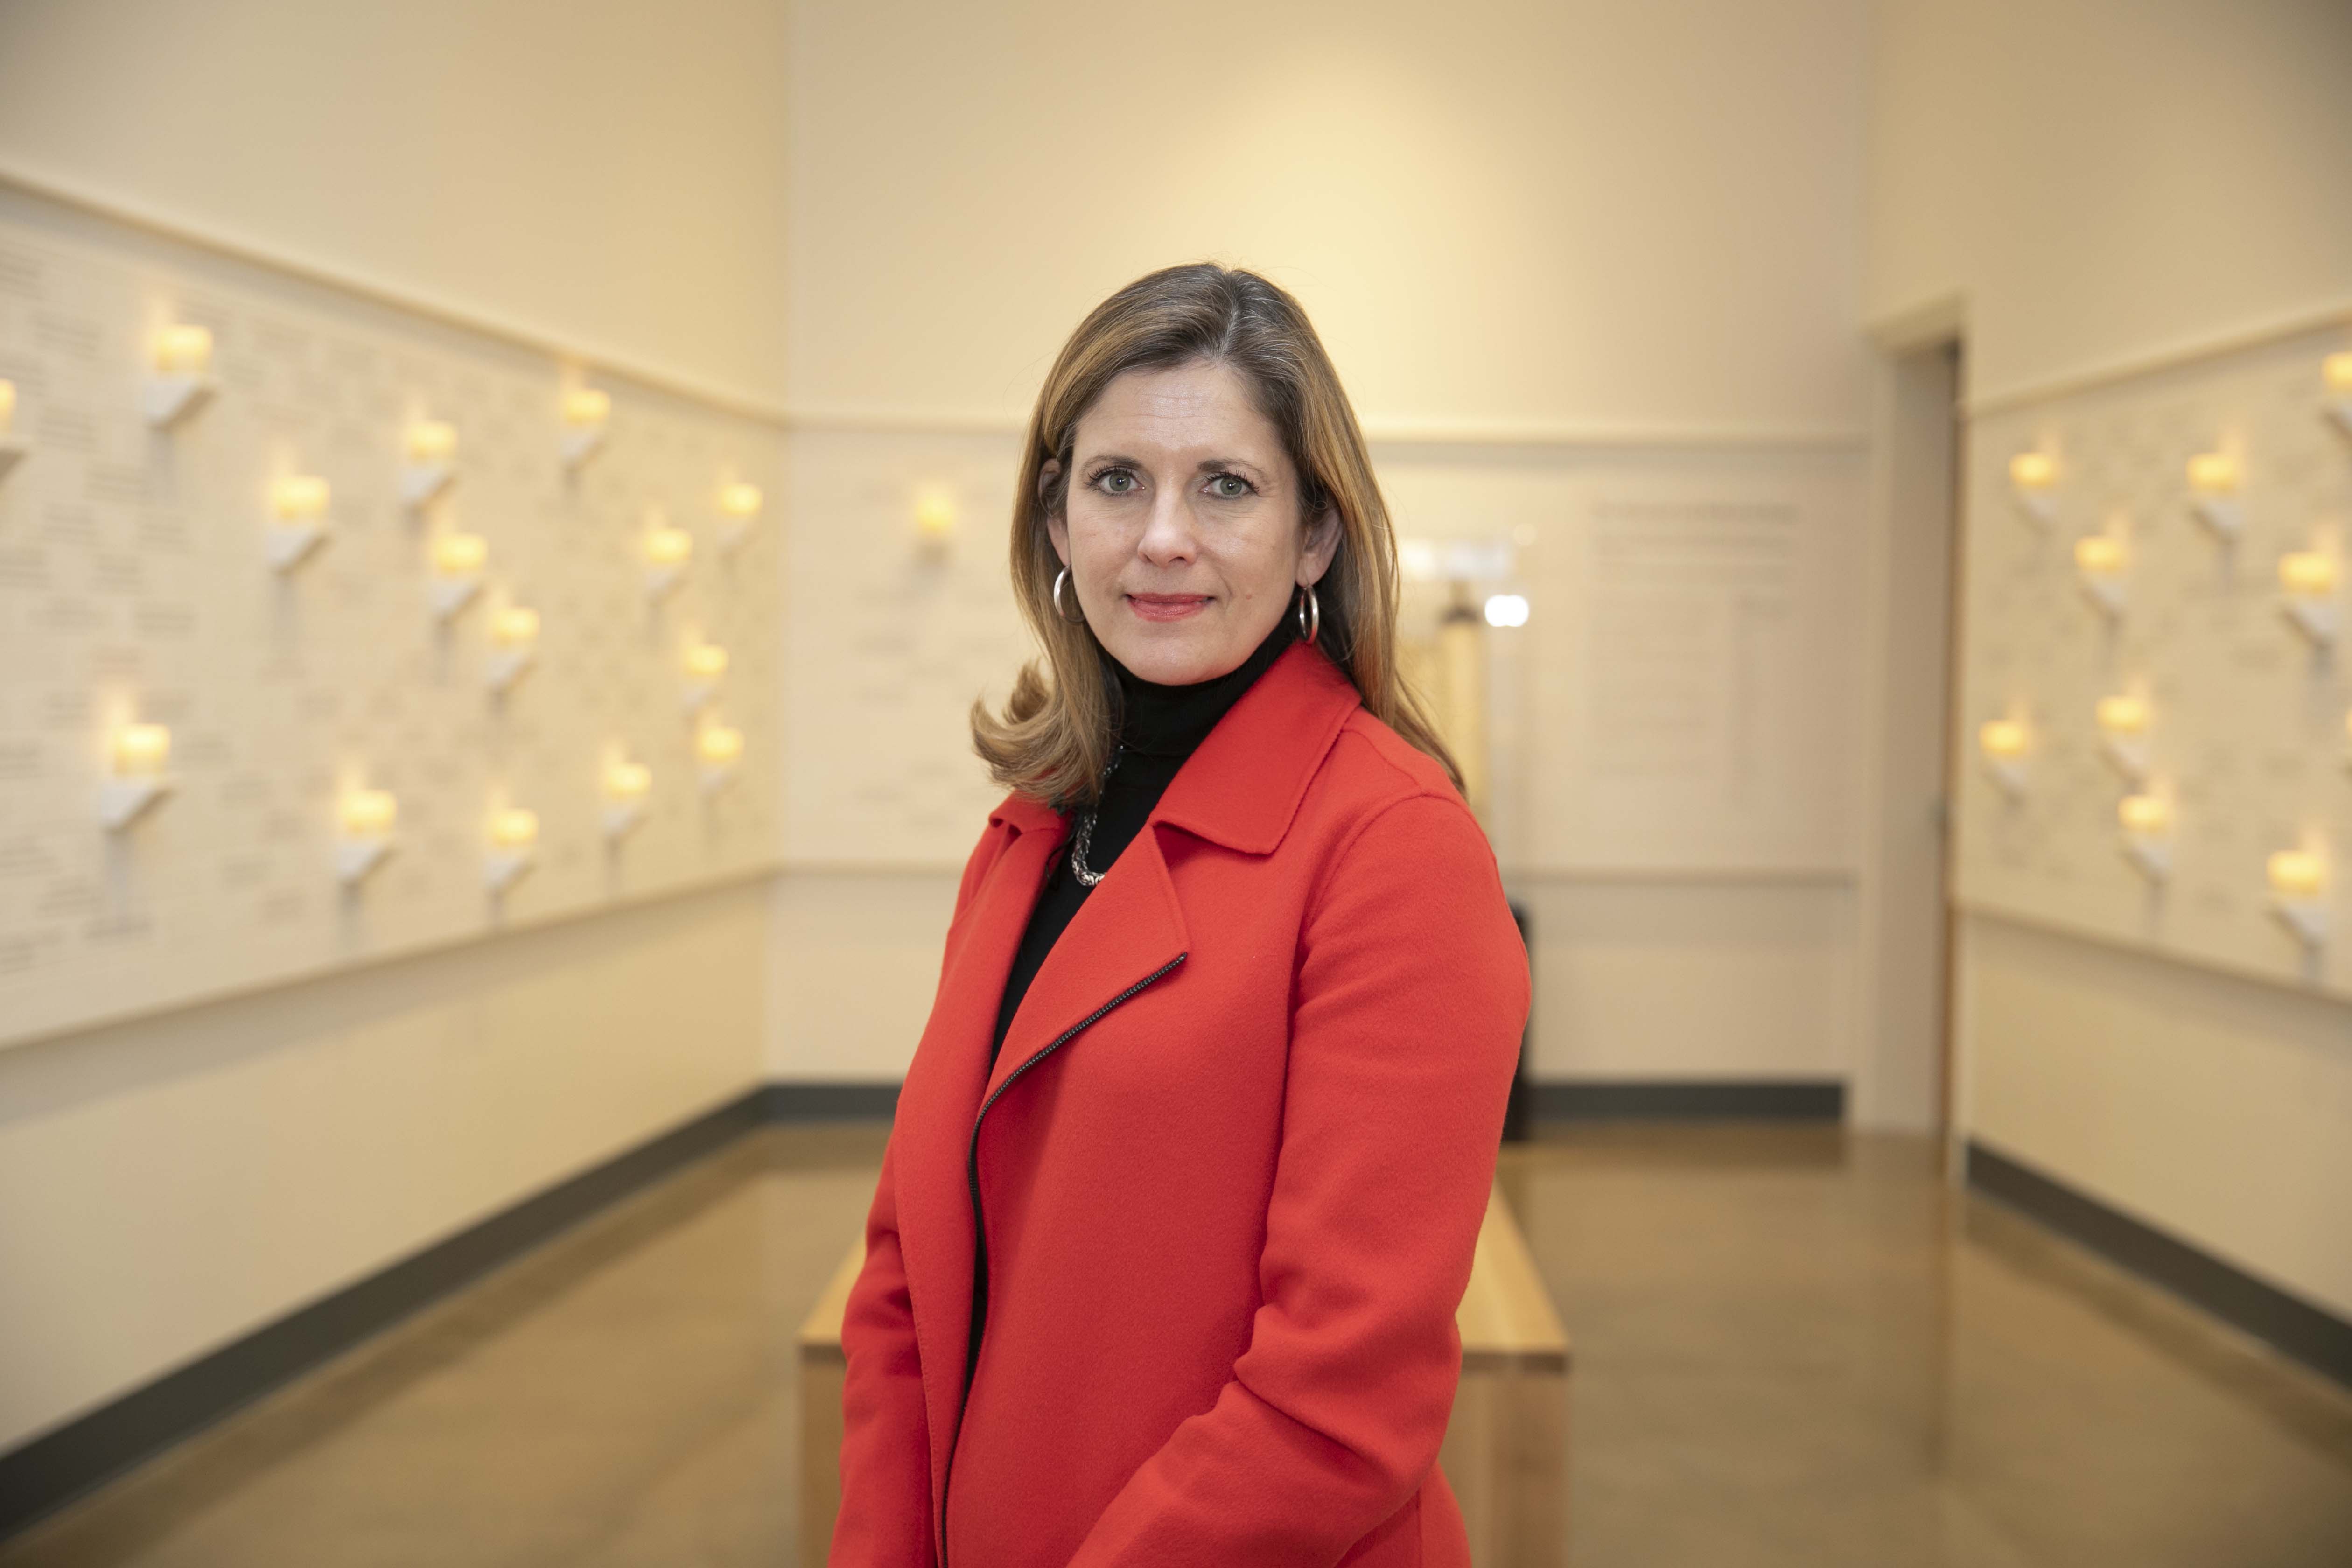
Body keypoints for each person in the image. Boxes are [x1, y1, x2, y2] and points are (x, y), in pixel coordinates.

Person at [830, 262, 1529, 1567]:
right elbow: (905, 1284)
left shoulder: (1393, 849)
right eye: (1117, 481)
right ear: (1054, 520)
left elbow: (1343, 1397)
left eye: (1226, 485)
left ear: (1315, 533)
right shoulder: (1034, 829)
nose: (1164, 537)